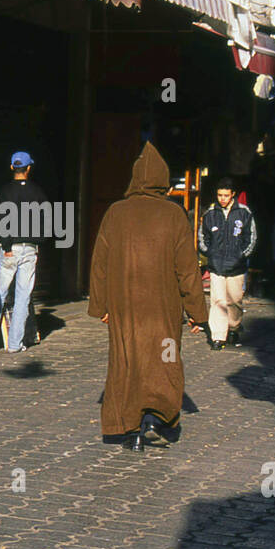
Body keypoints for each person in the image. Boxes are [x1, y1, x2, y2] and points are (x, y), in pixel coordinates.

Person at [89, 142, 206, 452]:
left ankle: (131, 429)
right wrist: (197, 312)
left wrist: (100, 306)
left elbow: (99, 263)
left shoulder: (116, 212)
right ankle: (156, 416)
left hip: (124, 307)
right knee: (164, 359)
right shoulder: (174, 214)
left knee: (127, 362)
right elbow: (188, 269)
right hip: (164, 308)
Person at [0, 151, 46, 353]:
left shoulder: (4, 192)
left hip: (10, 248)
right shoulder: (38, 193)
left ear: (11, 168)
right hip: (30, 248)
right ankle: (15, 344)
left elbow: (0, 221)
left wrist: (5, 247)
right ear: (29, 168)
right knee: (23, 296)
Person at [197, 177, 257, 349]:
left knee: (235, 301)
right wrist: (210, 253)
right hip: (216, 265)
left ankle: (234, 327)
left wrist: (241, 256)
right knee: (217, 301)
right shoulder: (210, 214)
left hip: (237, 266)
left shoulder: (244, 212)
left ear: (232, 195)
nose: (222, 198)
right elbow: (203, 237)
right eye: (219, 195)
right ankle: (218, 336)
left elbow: (251, 238)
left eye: (225, 195)